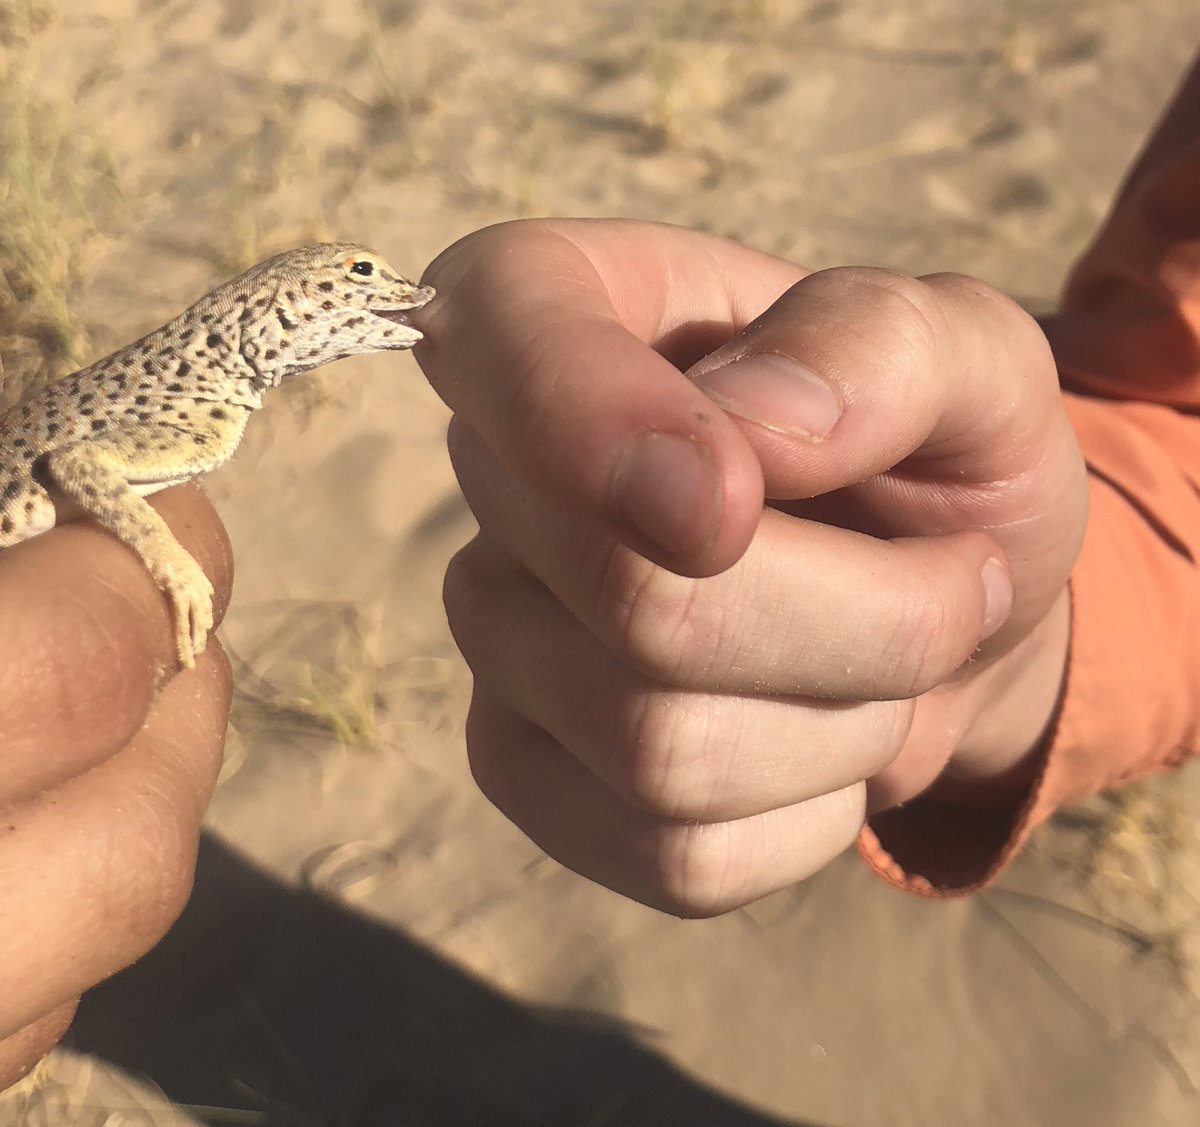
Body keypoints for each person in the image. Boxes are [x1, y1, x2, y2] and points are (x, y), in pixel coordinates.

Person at [4, 51, 1200, 1096]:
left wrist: (1002, 658)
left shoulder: (210, 404)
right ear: (277, 319)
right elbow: (74, 460)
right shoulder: (199, 410)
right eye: (357, 280)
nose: (382, 298)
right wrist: (155, 551)